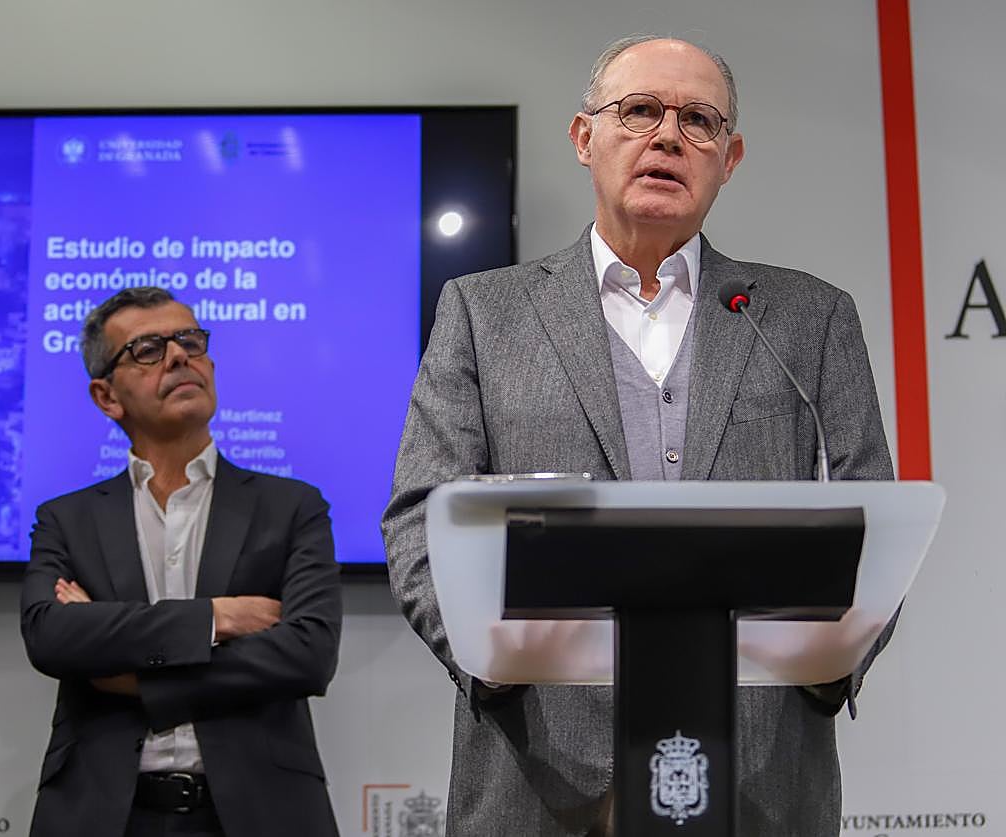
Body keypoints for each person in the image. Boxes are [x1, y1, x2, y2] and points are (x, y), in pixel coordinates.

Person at [382, 35, 895, 837]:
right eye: (640, 111)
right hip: (540, 770)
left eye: (698, 120)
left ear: (730, 157)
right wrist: (492, 663)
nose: (667, 136)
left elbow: (876, 522)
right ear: (585, 137)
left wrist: (828, 670)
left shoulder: (808, 318)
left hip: (760, 766)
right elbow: (419, 514)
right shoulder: (486, 312)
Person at [21, 287, 342, 837]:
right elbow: (52, 638)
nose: (178, 357)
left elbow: (307, 655)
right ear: (106, 396)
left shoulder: (291, 507)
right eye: (148, 349)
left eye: (190, 340)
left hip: (260, 812)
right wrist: (216, 618)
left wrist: (137, 680)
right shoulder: (67, 520)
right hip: (102, 814)